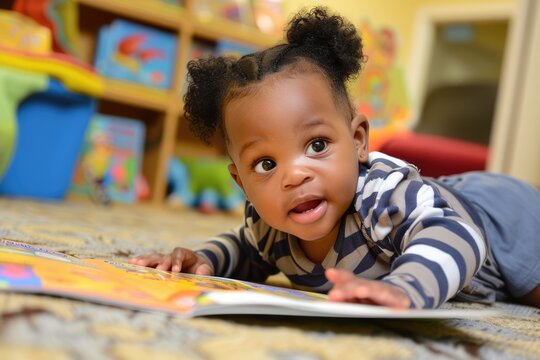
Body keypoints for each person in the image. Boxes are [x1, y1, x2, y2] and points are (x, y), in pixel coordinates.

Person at [130, 7, 540, 309]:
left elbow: (457, 235)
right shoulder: (271, 228)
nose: (294, 175)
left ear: (358, 140)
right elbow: (245, 249)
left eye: (317, 145)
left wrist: (406, 287)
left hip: (497, 220)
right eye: (266, 165)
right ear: (242, 184)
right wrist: (201, 259)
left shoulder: (383, 196)